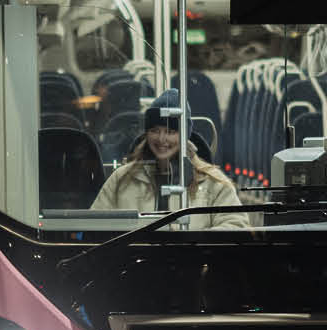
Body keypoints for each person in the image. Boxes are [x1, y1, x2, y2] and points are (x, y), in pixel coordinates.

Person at [90, 89, 249, 229]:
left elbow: (236, 226)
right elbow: (94, 225)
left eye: (170, 131)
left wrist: (192, 246)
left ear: (184, 136)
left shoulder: (214, 183)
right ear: (146, 133)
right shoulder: (122, 178)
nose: (161, 139)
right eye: (154, 130)